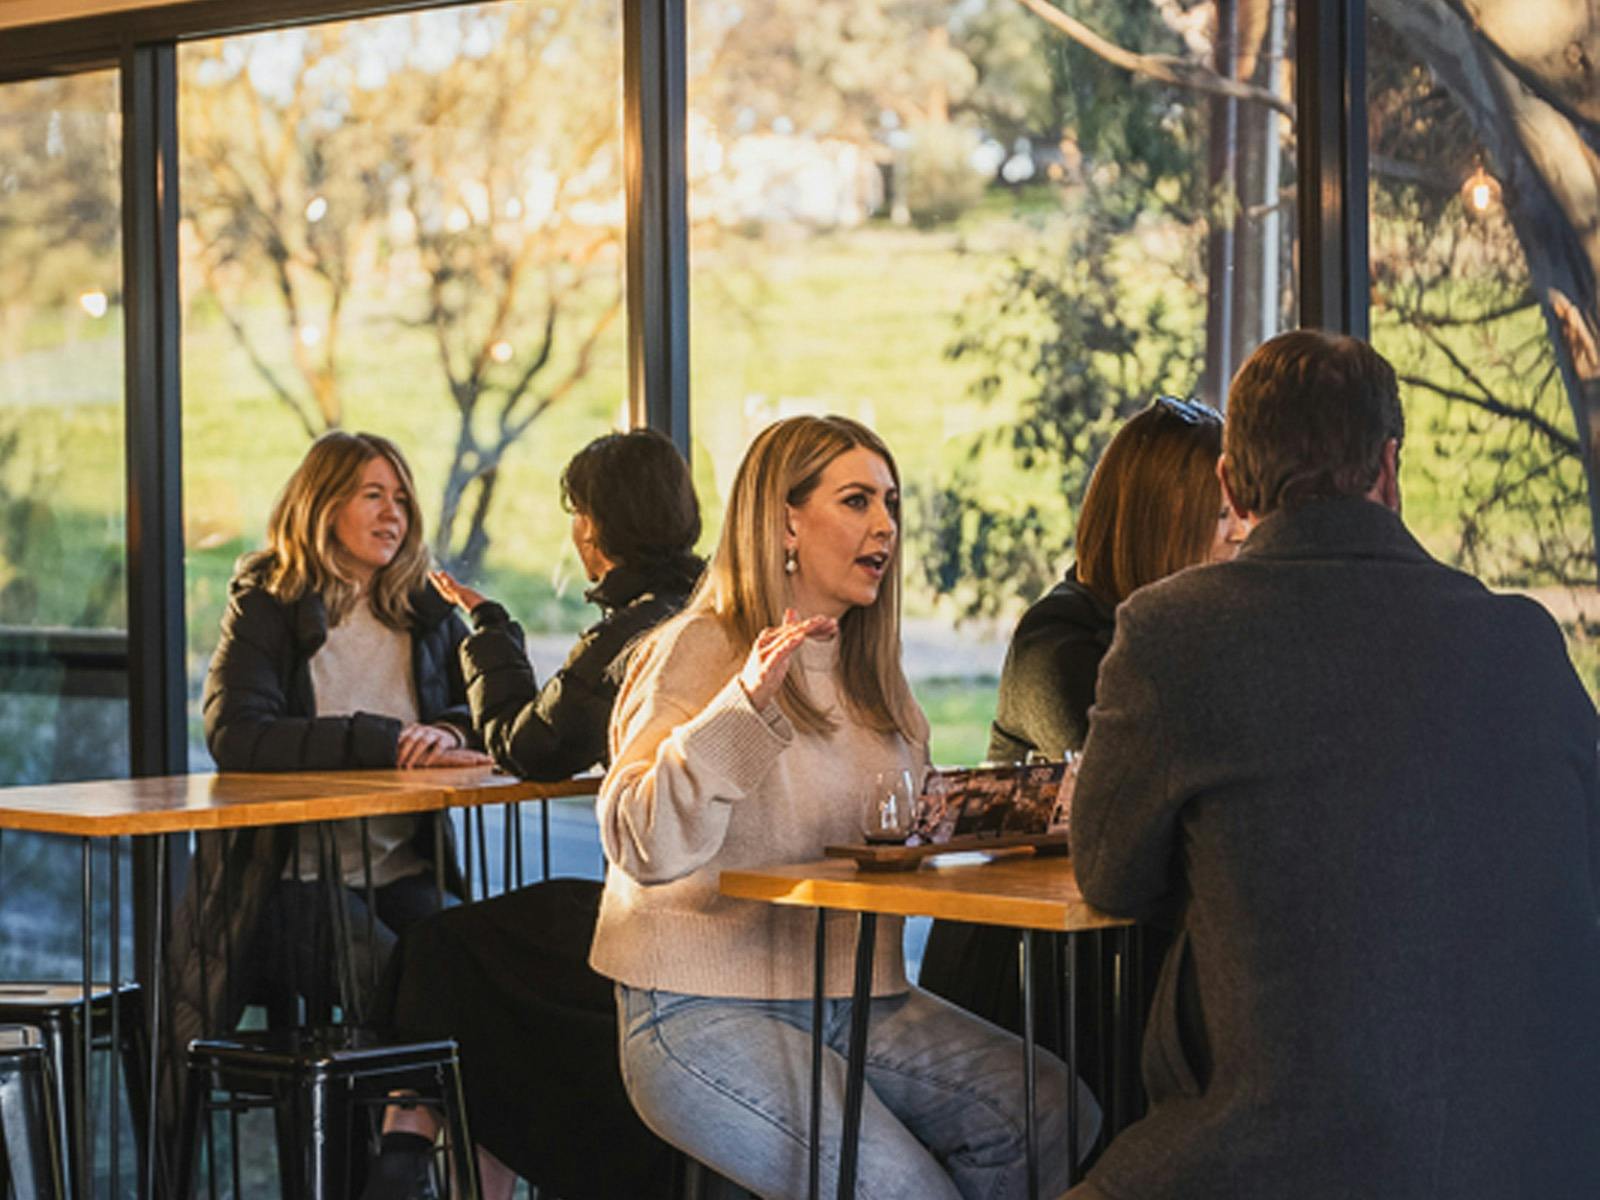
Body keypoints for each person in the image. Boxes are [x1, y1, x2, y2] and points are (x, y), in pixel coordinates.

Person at [1068, 331, 1600, 1197]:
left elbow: (1109, 875)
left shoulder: (1172, 635)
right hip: (1543, 1158)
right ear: (1388, 468)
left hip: (1274, 1155)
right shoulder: (1526, 641)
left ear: (1230, 484)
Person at [589, 414, 1099, 1200]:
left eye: (891, 502)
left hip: (861, 998)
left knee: (1053, 1110)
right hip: (699, 1010)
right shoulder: (696, 648)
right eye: (857, 500)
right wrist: (742, 706)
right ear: (785, 521)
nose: (886, 525)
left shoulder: (876, 680)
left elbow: (897, 839)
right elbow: (639, 843)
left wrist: (1011, 823)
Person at [362, 428, 704, 1200]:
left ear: (597, 528)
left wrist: (490, 632)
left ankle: (405, 1143)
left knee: (441, 950)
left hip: (665, 924)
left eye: (579, 513)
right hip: (705, 915)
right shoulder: (702, 606)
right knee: (465, 960)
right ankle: (420, 1146)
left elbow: (530, 747)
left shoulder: (633, 629)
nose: (576, 531)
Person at [920, 396, 1242, 1119]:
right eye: (1222, 514)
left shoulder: (1194, 637)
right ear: (1164, 519)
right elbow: (1144, 785)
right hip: (1036, 982)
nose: (1240, 534)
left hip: (1120, 960)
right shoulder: (1058, 641)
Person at [176, 430, 489, 1045]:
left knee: (479, 967)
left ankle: (424, 1110)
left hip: (400, 869)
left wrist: (449, 731)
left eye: (401, 499)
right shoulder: (267, 604)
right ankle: (399, 1109)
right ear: (323, 506)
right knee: (399, 983)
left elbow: (492, 709)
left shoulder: (425, 611)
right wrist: (383, 743)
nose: (393, 514)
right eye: (373, 495)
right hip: (287, 884)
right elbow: (237, 734)